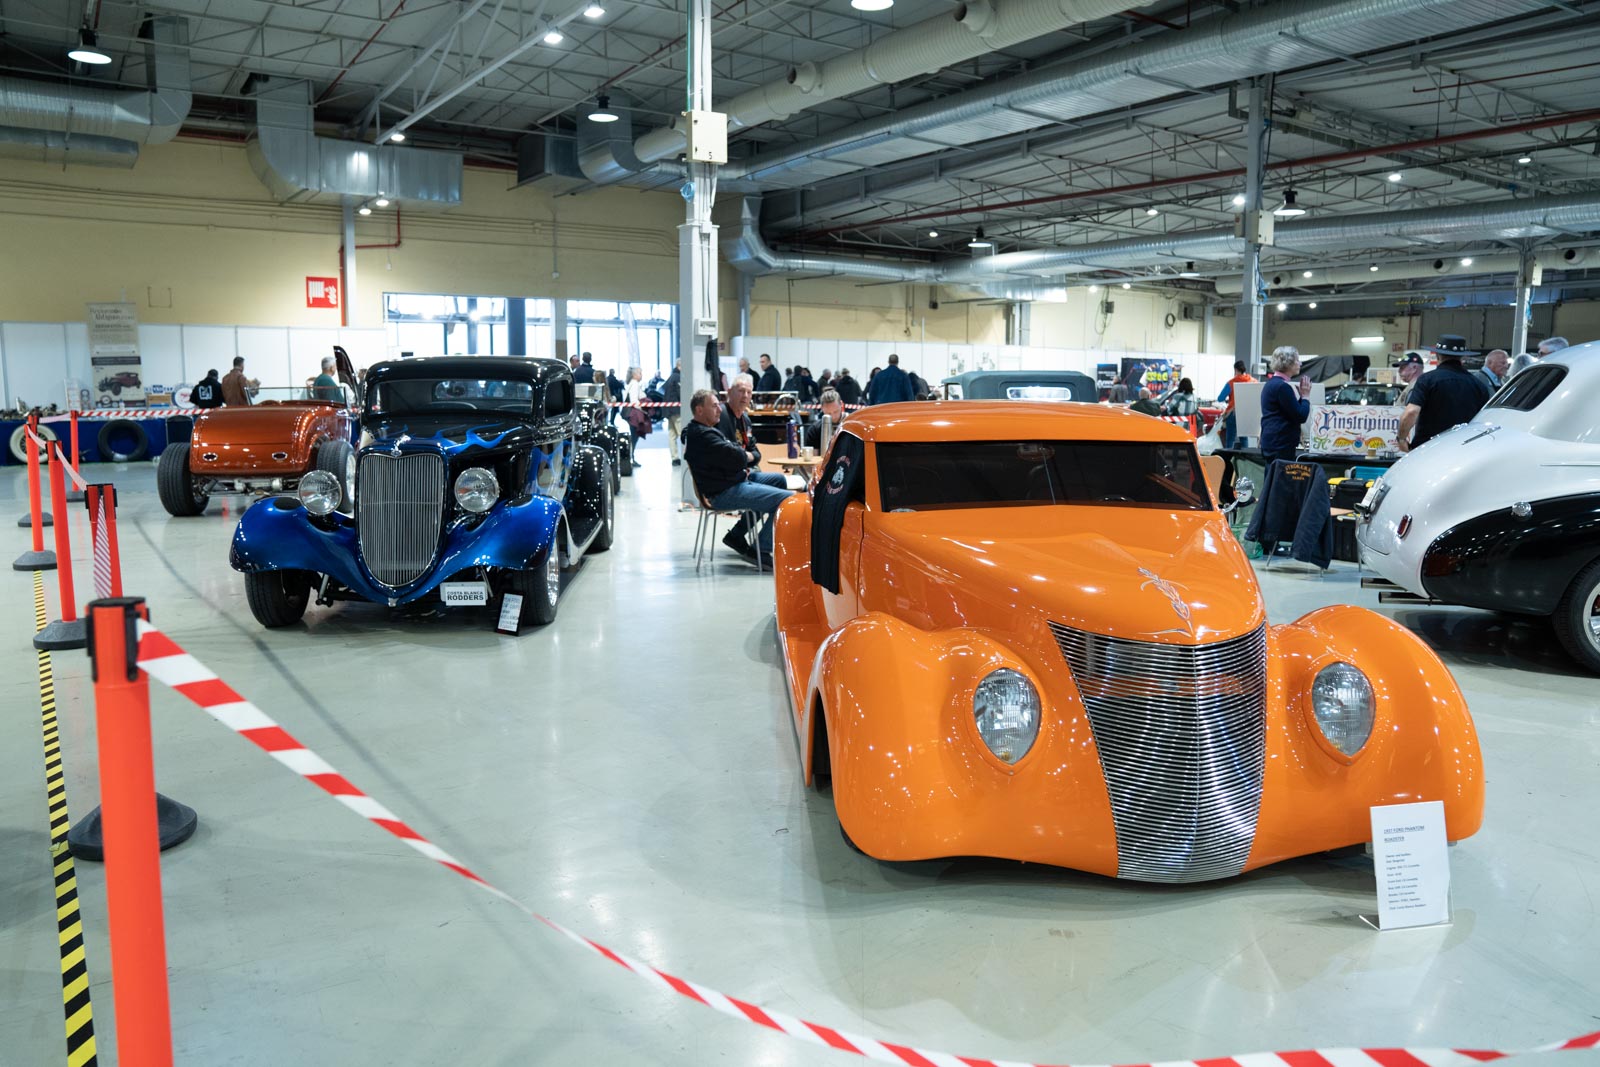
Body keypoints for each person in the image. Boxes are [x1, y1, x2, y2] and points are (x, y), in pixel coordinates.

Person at [684, 389, 791, 569]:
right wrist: (744, 457)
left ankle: (736, 535)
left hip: (734, 481)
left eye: (719, 404)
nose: (719, 409)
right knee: (786, 499)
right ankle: (761, 549)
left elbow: (738, 452)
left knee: (778, 480)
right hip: (723, 492)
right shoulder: (703, 435)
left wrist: (742, 457)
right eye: (714, 405)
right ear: (699, 410)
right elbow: (737, 456)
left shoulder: (710, 429)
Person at [1398, 337, 1491, 452]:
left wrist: (1401, 439)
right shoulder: (1479, 385)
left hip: (1427, 450)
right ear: (1462, 357)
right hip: (1463, 451)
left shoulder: (1426, 380)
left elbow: (1411, 412)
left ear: (1438, 355)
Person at [1259, 346, 1312, 463]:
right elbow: (1300, 416)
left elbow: (1289, 413)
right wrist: (1306, 397)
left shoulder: (1271, 384)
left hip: (1272, 442)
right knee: (1279, 480)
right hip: (1281, 444)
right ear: (1289, 363)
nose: (1300, 363)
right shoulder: (1283, 387)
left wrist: (1300, 399)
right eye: (1297, 360)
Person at [1216, 360, 1254, 448]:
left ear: (1236, 370)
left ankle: (1228, 459)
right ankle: (1245, 459)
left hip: (1233, 413)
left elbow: (1220, 398)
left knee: (1230, 439)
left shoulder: (1232, 382)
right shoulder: (1252, 381)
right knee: (1244, 438)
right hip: (1246, 414)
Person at [623, 367, 648, 465]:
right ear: (634, 375)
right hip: (633, 414)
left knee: (634, 436)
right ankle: (630, 458)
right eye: (640, 373)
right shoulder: (635, 385)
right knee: (634, 437)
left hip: (631, 413)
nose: (641, 375)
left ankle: (631, 457)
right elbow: (634, 401)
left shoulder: (632, 384)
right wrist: (643, 409)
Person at [664, 360, 683, 467]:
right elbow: (681, 393)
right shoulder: (678, 377)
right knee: (681, 433)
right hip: (676, 410)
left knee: (672, 434)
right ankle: (686, 457)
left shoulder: (671, 376)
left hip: (669, 410)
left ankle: (674, 458)